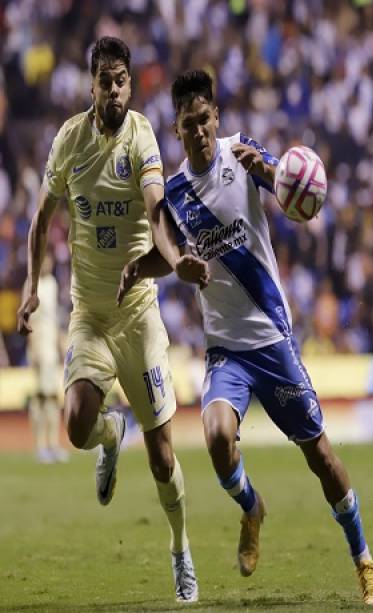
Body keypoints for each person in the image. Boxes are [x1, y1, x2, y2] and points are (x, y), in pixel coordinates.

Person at [118, 70, 373, 606]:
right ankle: (251, 507)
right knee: (217, 437)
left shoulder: (242, 152)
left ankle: (363, 559)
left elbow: (294, 199)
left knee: (322, 458)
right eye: (187, 124)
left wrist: (268, 170)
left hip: (273, 340)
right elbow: (166, 254)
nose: (198, 131)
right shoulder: (173, 193)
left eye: (204, 120)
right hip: (225, 350)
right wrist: (139, 270)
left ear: (216, 117)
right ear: (176, 130)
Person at [17, 38, 207, 603]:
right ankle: (109, 432)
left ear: (129, 84)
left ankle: (179, 549)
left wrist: (176, 262)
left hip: (139, 312)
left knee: (163, 455)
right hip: (90, 313)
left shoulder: (143, 134)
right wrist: (30, 287)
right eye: (107, 81)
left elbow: (157, 209)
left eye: (123, 80)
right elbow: (39, 221)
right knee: (77, 424)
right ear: (92, 85)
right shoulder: (70, 141)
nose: (117, 89)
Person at [26, 252, 69, 463]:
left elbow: (55, 317)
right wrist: (32, 348)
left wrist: (61, 344)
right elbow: (27, 320)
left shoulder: (52, 284)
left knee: (53, 396)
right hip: (39, 346)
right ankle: (39, 445)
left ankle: (53, 444)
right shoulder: (31, 285)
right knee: (40, 396)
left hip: (51, 347)